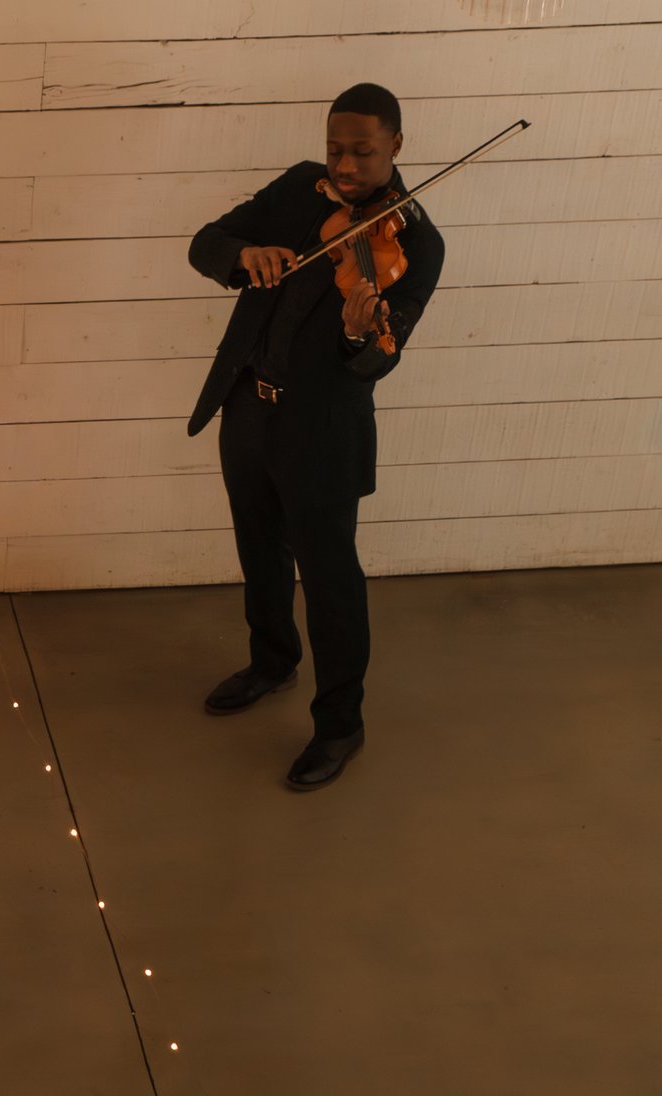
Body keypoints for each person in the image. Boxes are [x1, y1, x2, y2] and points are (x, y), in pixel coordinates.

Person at [187, 81, 447, 790]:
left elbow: (377, 361)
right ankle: (272, 661)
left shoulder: (416, 244)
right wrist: (246, 258)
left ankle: (340, 724)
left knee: (331, 581)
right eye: (336, 148)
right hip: (249, 408)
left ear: (396, 145)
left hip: (323, 433)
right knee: (258, 549)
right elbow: (205, 243)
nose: (346, 164)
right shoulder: (300, 190)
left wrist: (362, 332)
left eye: (363, 152)